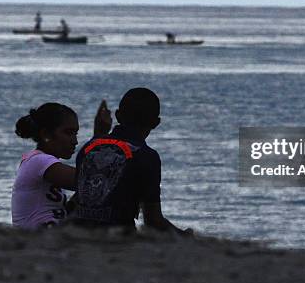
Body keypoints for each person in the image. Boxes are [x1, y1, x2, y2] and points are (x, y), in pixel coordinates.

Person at [74, 88, 188, 234]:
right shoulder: (146, 156)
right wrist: (185, 236)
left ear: (118, 116)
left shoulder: (88, 148)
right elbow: (153, 220)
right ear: (156, 123)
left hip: (78, 233)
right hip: (117, 241)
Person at [12, 103, 79, 229]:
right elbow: (89, 181)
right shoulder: (39, 161)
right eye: (68, 133)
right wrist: (99, 136)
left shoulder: (41, 162)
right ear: (46, 135)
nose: (75, 141)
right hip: (35, 244)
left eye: (75, 133)